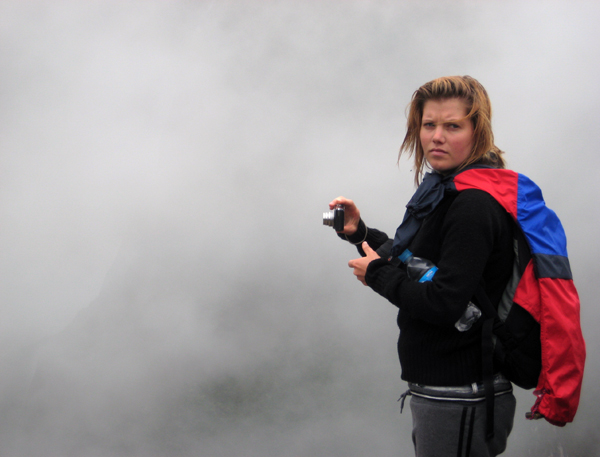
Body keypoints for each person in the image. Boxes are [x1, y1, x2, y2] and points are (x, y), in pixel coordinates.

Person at [329, 76, 516, 457]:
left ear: (477, 131)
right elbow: (415, 265)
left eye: (453, 126)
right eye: (429, 125)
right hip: (449, 389)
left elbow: (444, 302)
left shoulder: (472, 205)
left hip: (461, 391)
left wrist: (377, 275)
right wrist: (359, 232)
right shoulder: (449, 190)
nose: (436, 137)